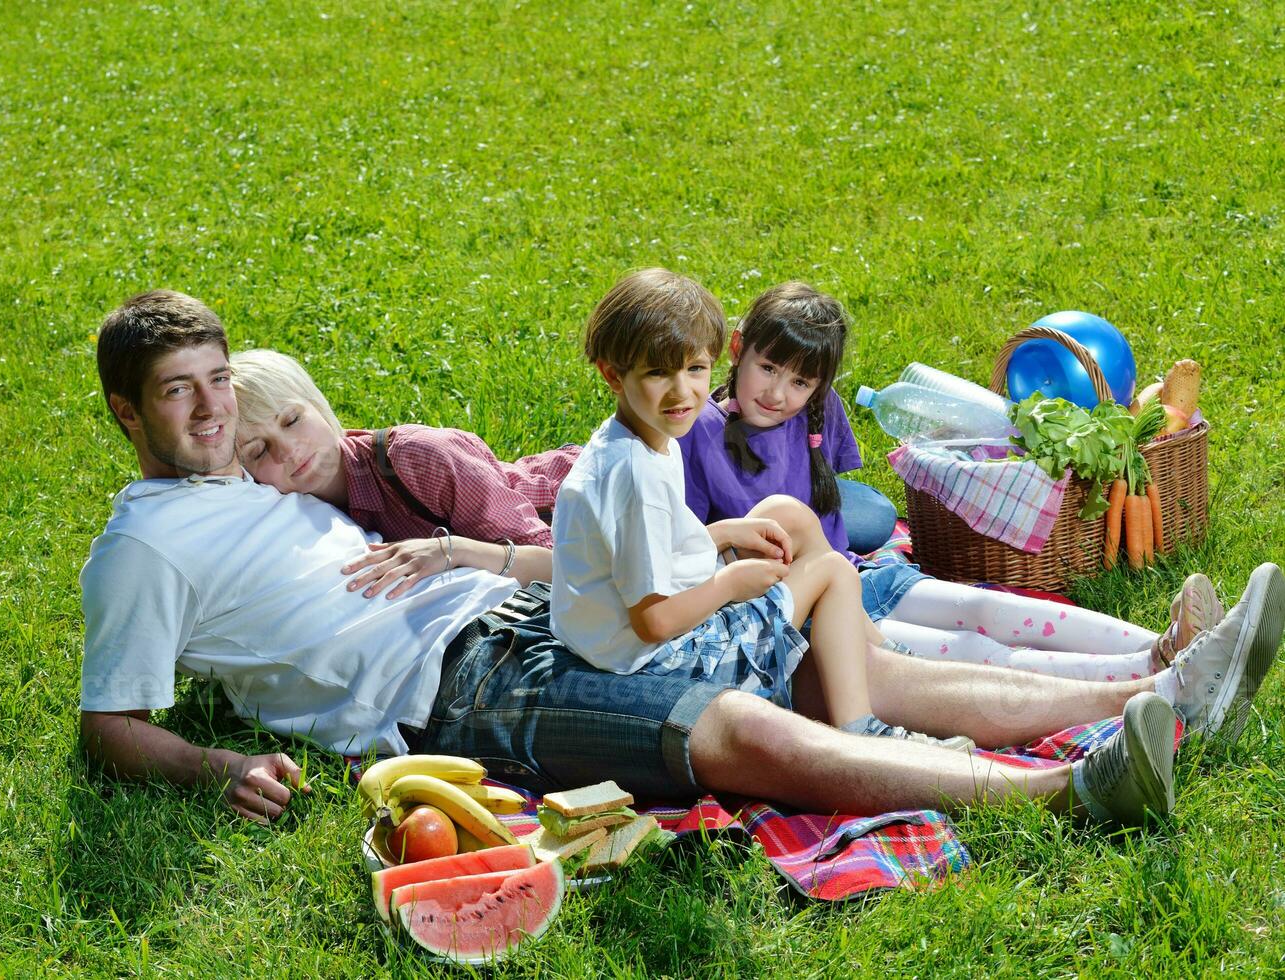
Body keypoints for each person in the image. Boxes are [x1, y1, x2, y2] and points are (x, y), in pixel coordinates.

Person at [78, 288, 1284, 830]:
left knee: (826, 641)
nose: (209, 411)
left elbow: (332, 450)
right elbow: (109, 721)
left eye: (218, 384)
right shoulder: (138, 546)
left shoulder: (248, 466)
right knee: (734, 729)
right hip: (454, 690)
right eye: (176, 395)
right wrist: (210, 765)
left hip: (512, 613)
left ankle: (1150, 695)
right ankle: (1072, 790)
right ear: (128, 416)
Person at [678, 280, 1224, 681]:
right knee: (971, 649)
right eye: (768, 368)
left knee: (987, 608)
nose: (778, 393)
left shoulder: (819, 410)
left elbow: (840, 504)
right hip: (812, 615)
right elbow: (696, 549)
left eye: (800, 381)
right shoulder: (699, 432)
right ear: (737, 348)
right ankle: (1149, 673)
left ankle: (1173, 642)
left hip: (857, 577)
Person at [549, 268, 966, 746]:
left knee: (784, 515)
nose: (683, 391)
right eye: (658, 372)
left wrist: (722, 534)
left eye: (695, 369)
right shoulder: (634, 477)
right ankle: (863, 731)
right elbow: (654, 623)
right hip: (669, 661)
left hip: (621, 637)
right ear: (613, 375)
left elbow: (645, 548)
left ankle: (885, 649)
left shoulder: (639, 438)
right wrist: (729, 583)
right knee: (833, 571)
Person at [228, 348, 577, 598]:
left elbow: (560, 570)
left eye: (292, 420)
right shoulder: (289, 518)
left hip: (594, 505)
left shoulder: (416, 457)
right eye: (258, 451)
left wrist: (452, 551)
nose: (287, 450)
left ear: (319, 406)